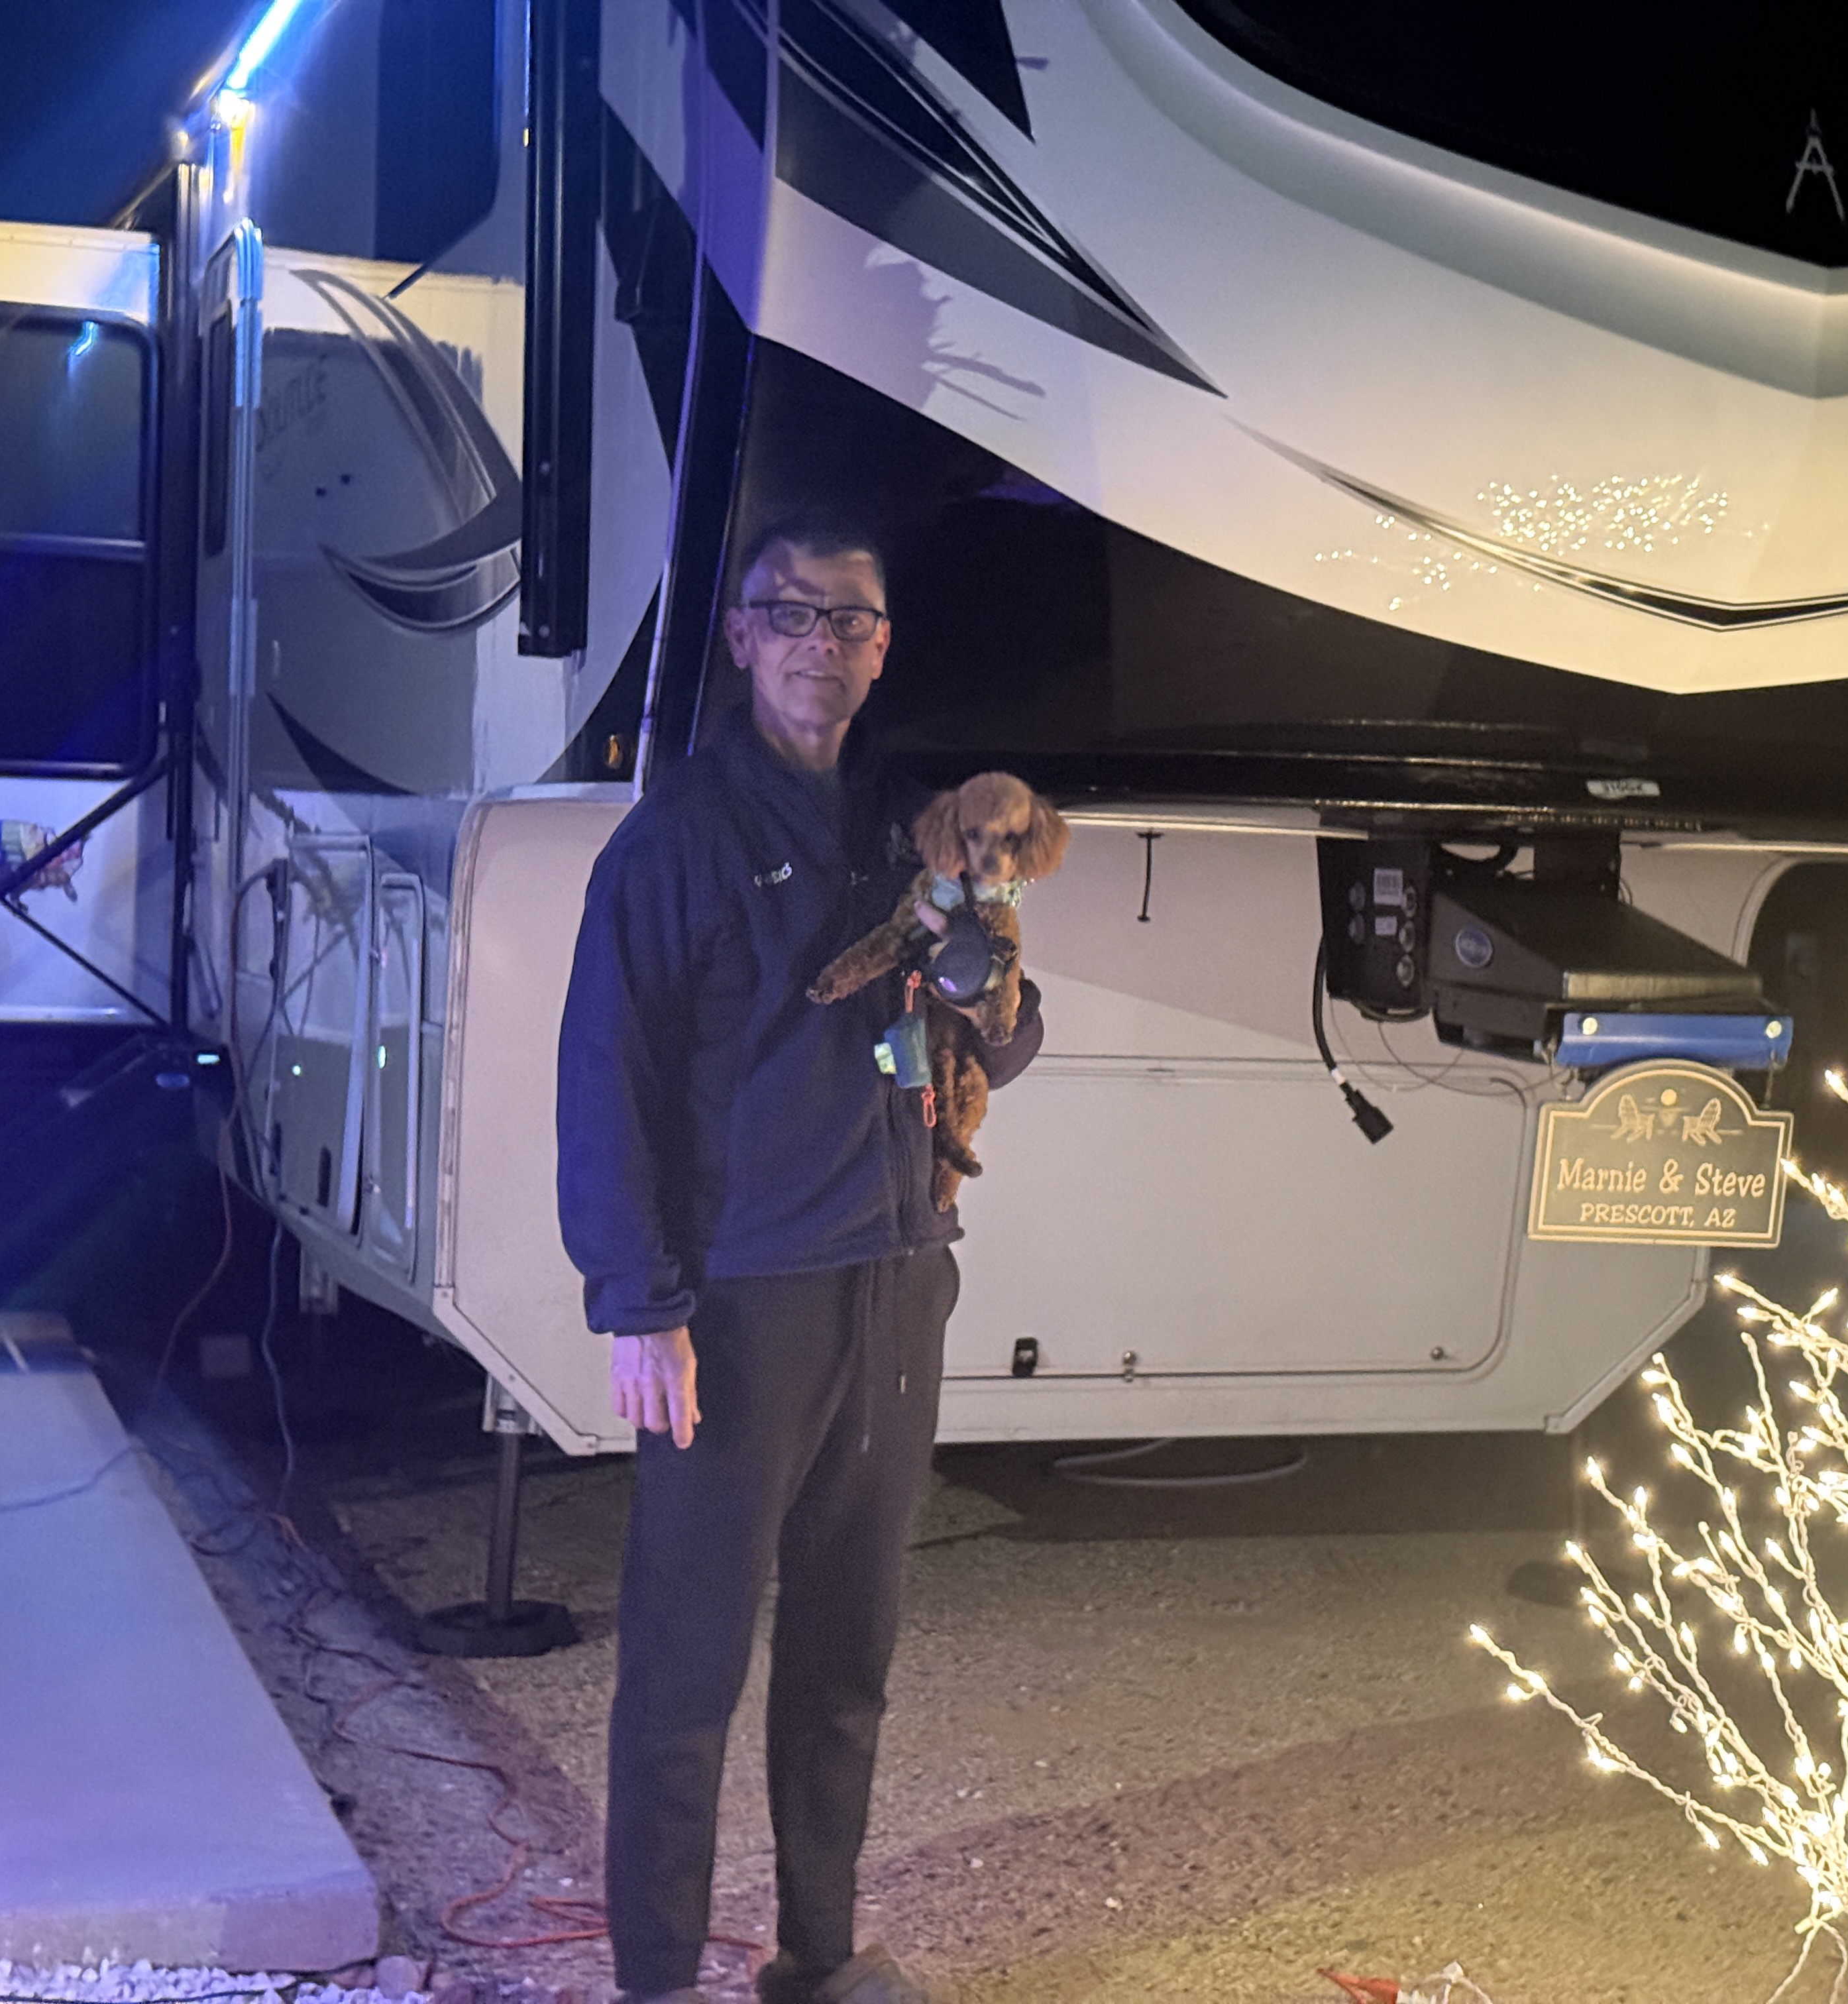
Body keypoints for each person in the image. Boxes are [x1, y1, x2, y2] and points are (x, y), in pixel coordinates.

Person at [557, 517, 1042, 2004]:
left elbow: (1009, 1046)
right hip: (743, 1305)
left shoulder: (917, 827)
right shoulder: (679, 838)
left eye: (854, 622)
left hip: (899, 1284)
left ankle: (819, 1960)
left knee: (848, 1658)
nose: (825, 645)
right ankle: (655, 1980)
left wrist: (991, 951)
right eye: (795, 616)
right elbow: (606, 1079)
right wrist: (640, 1304)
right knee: (688, 1674)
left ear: (882, 650)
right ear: (743, 637)